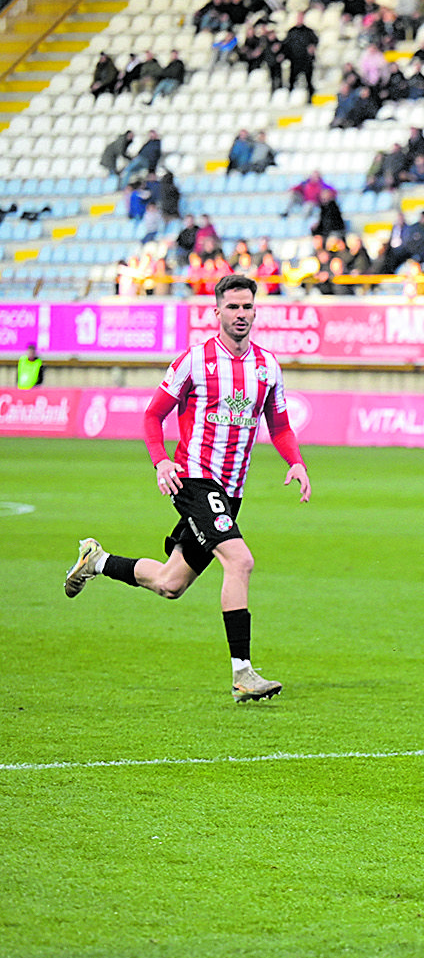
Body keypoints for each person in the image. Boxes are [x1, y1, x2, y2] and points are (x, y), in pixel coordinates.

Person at [62, 275, 311, 702]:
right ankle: (243, 673)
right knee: (240, 561)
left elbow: (281, 425)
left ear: (255, 311)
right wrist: (161, 461)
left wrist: (297, 463)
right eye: (232, 307)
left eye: (247, 307)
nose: (240, 315)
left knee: (169, 583)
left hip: (230, 491)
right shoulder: (193, 362)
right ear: (216, 312)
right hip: (195, 478)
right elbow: (152, 416)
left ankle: (96, 561)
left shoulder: (268, 367)